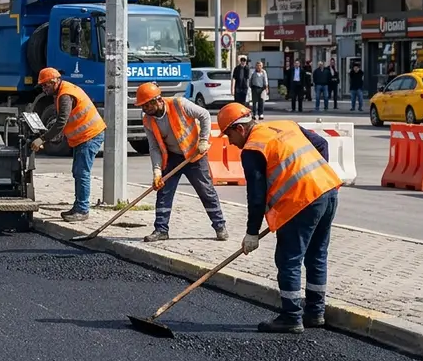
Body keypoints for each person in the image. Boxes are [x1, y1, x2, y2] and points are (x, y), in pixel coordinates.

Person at [218, 102, 342, 333]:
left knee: (289, 260)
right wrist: (316, 178)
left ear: (240, 129)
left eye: (229, 135)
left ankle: (292, 317)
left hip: (301, 202)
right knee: (316, 255)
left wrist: (252, 232)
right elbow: (321, 144)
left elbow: (256, 196)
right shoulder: (286, 125)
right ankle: (315, 312)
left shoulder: (253, 149)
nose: (230, 142)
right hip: (328, 191)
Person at [135, 82, 228, 242]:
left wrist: (203, 140)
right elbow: (154, 147)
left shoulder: (179, 104)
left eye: (147, 105)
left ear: (158, 100)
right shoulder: (148, 120)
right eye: (142, 106)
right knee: (164, 192)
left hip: (194, 155)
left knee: (206, 191)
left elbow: (204, 115)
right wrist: (157, 171)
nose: (144, 109)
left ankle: (220, 226)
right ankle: (161, 230)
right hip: (172, 158)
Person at [30, 67, 105, 222]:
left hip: (90, 135)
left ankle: (82, 210)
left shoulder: (65, 95)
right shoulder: (62, 91)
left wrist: (43, 139)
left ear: (55, 81)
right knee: (78, 171)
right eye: (42, 86)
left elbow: (61, 122)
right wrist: (50, 138)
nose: (44, 89)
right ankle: (78, 207)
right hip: (83, 136)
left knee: (82, 172)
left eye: (46, 85)